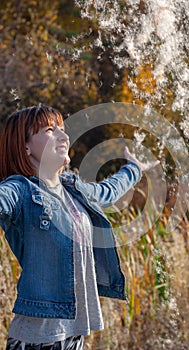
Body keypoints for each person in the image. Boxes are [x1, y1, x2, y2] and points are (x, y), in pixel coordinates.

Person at [0, 105, 158, 349]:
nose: (63, 136)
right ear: (25, 146)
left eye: (63, 130)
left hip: (74, 337)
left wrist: (134, 167)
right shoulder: (20, 191)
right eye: (50, 130)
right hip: (38, 340)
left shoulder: (74, 190)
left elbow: (108, 191)